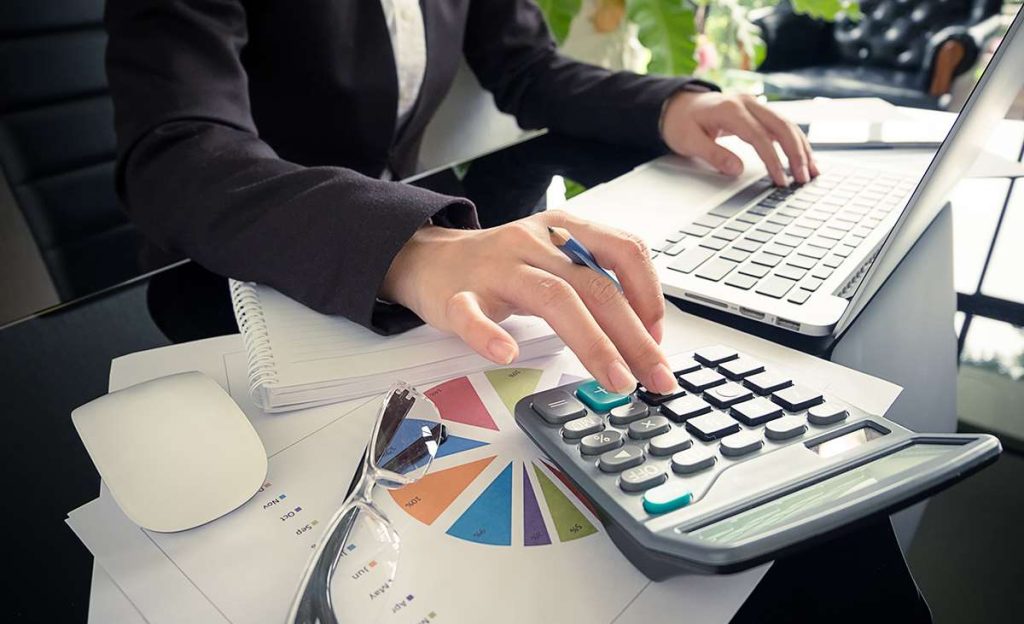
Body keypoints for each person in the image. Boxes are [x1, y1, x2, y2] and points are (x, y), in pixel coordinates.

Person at [106, 0, 817, 397]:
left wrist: (668, 105)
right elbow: (176, 147)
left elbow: (525, 64)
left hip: (405, 292)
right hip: (230, 284)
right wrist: (404, 244)